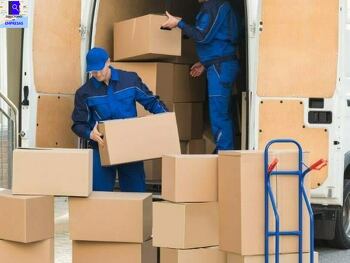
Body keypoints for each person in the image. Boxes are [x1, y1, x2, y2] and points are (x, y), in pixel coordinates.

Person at [71, 47, 168, 192]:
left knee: (135, 194)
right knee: (99, 195)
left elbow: (151, 102)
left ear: (108, 62)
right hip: (101, 147)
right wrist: (90, 134)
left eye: (99, 69)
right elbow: (78, 124)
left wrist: (166, 119)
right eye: (92, 71)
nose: (96, 74)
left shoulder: (130, 80)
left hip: (130, 146)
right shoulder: (84, 92)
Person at [162, 0, 240, 151]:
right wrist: (205, 62)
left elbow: (202, 36)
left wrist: (179, 23)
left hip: (220, 67)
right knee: (222, 113)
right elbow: (221, 37)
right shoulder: (221, 5)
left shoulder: (213, 6)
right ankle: (225, 152)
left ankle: (225, 155)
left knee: (219, 115)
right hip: (220, 64)